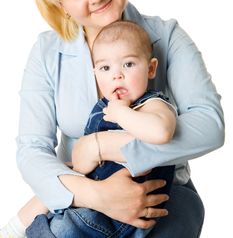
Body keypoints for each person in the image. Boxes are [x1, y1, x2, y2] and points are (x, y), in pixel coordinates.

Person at [0, 0, 224, 238]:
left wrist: (104, 146)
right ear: (60, 6)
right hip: (81, 194)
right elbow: (32, 149)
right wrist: (96, 195)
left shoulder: (166, 35)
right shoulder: (47, 52)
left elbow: (209, 126)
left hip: (160, 192)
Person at [1, 20, 177, 238]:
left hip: (121, 215)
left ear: (150, 68)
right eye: (105, 68)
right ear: (95, 73)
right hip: (94, 198)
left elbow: (161, 132)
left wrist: (122, 113)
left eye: (128, 64)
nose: (117, 75)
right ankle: (13, 229)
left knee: (60, 230)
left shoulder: (152, 104)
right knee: (56, 190)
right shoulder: (102, 107)